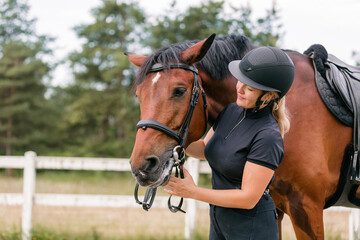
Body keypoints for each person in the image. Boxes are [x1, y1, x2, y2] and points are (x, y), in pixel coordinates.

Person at [164, 46, 295, 240]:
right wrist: (168, 134)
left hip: (251, 229)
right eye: (240, 80)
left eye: (249, 88)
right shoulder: (231, 111)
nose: (239, 89)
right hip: (220, 221)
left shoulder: (268, 136)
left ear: (268, 96)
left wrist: (193, 192)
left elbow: (248, 198)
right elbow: (205, 150)